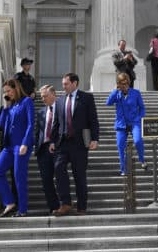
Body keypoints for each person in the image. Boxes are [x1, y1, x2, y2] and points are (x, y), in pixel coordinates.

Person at [53, 72, 100, 216]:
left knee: (79, 175)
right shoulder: (60, 101)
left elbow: (93, 120)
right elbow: (56, 123)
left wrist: (94, 139)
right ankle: (66, 203)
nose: (64, 87)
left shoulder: (86, 98)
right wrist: (52, 141)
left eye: (66, 84)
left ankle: (81, 207)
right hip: (63, 143)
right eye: (63, 84)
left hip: (79, 144)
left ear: (75, 83)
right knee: (58, 168)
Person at [0, 78, 34, 217]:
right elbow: (2, 124)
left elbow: (30, 124)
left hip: (20, 146)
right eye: (5, 92)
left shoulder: (26, 102)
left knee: (18, 177)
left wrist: (25, 143)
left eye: (9, 91)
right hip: (9, 146)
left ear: (16, 88)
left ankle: (23, 210)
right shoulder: (10, 106)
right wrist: (6, 106)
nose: (7, 94)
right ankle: (9, 202)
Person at [106, 72, 147, 176]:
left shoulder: (136, 93)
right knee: (120, 145)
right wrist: (115, 90)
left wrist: (139, 117)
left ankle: (142, 160)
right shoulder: (117, 94)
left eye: (126, 83)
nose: (124, 86)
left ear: (129, 83)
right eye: (122, 84)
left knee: (138, 140)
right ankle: (123, 169)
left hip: (134, 122)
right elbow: (108, 102)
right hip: (121, 124)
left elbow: (142, 108)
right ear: (118, 84)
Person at [34, 84, 60, 214]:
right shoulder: (40, 112)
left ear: (53, 94)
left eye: (45, 96)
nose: (43, 99)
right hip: (43, 150)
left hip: (58, 148)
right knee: (46, 180)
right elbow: (37, 132)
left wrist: (55, 142)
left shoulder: (62, 110)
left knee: (60, 177)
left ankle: (64, 204)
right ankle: (54, 207)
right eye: (41, 96)